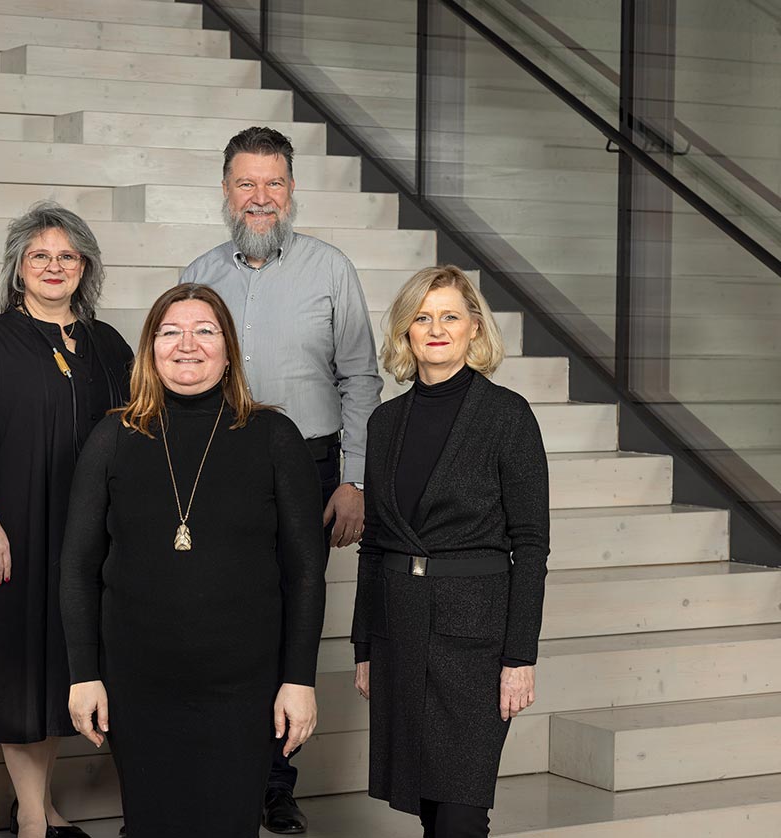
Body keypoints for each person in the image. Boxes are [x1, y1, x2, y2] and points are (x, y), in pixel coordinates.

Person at [60, 283, 327, 838]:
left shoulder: (275, 437)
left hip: (243, 691)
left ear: (229, 350)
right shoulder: (112, 437)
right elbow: (78, 567)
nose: (188, 344)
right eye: (170, 332)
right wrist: (84, 675)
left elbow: (304, 572)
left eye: (205, 331)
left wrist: (299, 680)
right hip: (139, 687)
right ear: (150, 348)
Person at [180, 125, 383, 833]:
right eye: (246, 183)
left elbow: (361, 379)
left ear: (292, 191)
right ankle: (221, 767)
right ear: (226, 191)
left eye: (273, 183)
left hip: (312, 467)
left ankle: (273, 785)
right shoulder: (199, 273)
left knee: (294, 615)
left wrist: (355, 480)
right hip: (219, 467)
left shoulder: (331, 270)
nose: (259, 197)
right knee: (223, 618)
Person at [0, 202, 133, 838]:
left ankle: (43, 805)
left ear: (85, 268)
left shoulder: (109, 345)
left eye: (67, 256)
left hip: (91, 534)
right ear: (18, 267)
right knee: (24, 671)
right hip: (14, 532)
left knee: (64, 669)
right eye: (39, 256)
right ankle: (30, 816)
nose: (54, 267)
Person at [352, 265, 550, 836]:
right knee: (431, 809)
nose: (436, 329)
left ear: (474, 329)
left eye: (450, 317)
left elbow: (531, 546)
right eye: (422, 317)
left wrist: (520, 657)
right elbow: (374, 544)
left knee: (461, 813)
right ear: (406, 331)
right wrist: (364, 645)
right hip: (401, 629)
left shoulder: (507, 415)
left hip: (476, 642)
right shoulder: (385, 422)